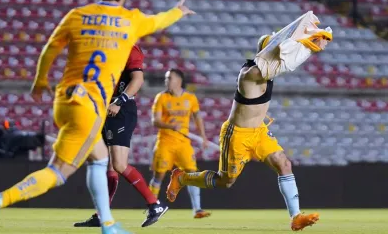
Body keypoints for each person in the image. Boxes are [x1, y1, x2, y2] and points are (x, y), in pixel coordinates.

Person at [0, 0, 195, 233]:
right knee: (58, 172)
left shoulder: (77, 15)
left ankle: (108, 224)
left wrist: (40, 80)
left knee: (100, 160)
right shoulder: (130, 20)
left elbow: (50, 49)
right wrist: (178, 11)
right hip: (89, 106)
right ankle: (0, 199)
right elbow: (159, 20)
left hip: (64, 100)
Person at [166, 22, 332, 231]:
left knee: (284, 164)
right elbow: (284, 63)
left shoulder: (268, 69)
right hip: (237, 135)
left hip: (259, 132)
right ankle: (182, 177)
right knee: (225, 181)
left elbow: (286, 59)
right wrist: (308, 45)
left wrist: (310, 40)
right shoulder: (250, 74)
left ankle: (296, 217)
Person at [74, 45, 168, 228]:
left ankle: (155, 204)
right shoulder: (103, 49)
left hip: (121, 110)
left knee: (118, 164)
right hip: (106, 109)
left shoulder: (129, 48)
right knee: (105, 164)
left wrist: (119, 100)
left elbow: (138, 79)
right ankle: (102, 214)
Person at [148, 68, 211, 219]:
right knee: (159, 176)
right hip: (165, 141)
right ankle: (152, 207)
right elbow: (155, 121)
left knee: (192, 173)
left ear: (179, 80)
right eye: (166, 78)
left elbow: (197, 118)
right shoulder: (161, 97)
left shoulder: (190, 98)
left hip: (183, 143)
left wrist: (203, 137)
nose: (166, 81)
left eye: (169, 78)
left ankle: (198, 209)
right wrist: (170, 126)